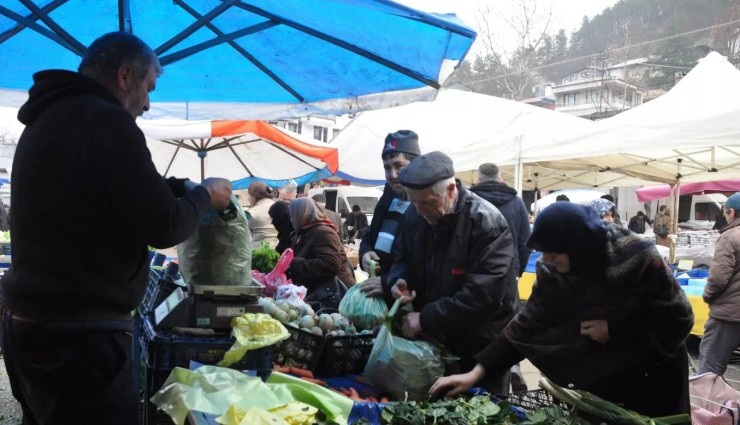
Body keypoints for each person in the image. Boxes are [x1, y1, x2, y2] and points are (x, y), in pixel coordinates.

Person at [0, 32, 233, 425]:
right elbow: (165, 225)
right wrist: (205, 196)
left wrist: (178, 187)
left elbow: (119, 189)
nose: (147, 103)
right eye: (148, 88)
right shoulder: (108, 122)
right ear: (125, 76)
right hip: (80, 344)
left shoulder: (47, 119)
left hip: (27, 328)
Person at [430, 202, 694, 416]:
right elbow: (528, 324)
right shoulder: (553, 271)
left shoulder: (638, 256)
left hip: (654, 374)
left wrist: (616, 329)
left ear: (577, 245)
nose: (545, 260)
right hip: (604, 379)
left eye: (553, 253)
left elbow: (679, 318)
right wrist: (476, 372)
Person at [388, 151, 519, 394]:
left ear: (450, 190)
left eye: (427, 202)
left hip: (479, 349)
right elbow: (402, 256)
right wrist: (399, 279)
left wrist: (425, 319)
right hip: (435, 343)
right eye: (413, 201)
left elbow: (482, 296)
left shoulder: (487, 223)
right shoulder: (415, 216)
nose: (419, 210)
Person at [470, 162, 531, 391]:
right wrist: (518, 270)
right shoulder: (516, 203)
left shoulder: (469, 201)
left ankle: (477, 371)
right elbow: (526, 241)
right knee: (507, 322)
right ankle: (510, 367)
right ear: (501, 178)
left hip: (473, 275)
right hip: (508, 274)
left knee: (478, 325)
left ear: (478, 179)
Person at [359, 130, 420, 302]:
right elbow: (370, 233)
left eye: (399, 166)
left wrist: (387, 282)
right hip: (381, 293)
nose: (392, 175)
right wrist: (365, 251)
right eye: (387, 168)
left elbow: (423, 263)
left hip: (405, 297)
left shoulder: (424, 204)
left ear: (415, 165)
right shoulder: (388, 196)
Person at [700, 193, 740, 376]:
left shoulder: (730, 237)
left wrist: (708, 295)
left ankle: (709, 405)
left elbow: (718, 278)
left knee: (710, 371)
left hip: (728, 316)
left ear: (731, 212)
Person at [287, 198, 356, 294]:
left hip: (334, 295)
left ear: (301, 214)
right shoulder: (303, 232)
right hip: (319, 292)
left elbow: (331, 264)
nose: (291, 219)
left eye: (292, 215)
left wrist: (296, 263)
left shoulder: (323, 232)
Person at [246, 181, 278, 247]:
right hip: (280, 248)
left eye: (249, 196)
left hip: (260, 251)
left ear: (254, 197)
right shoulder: (278, 206)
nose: (248, 199)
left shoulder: (252, 212)